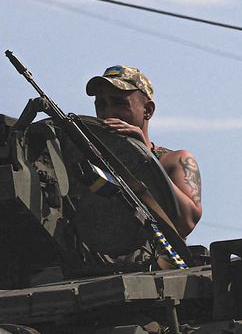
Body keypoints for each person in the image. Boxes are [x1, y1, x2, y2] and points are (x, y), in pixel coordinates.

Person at [85, 65, 202, 237]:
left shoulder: (173, 160)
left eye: (119, 103)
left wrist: (144, 155)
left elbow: (186, 222)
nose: (109, 112)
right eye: (101, 105)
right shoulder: (91, 161)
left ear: (147, 110)